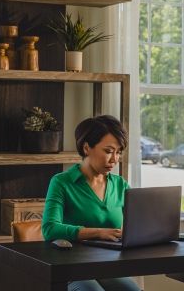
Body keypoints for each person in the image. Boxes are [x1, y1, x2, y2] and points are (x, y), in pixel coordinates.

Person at [42, 115, 141, 291]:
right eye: (109, 151)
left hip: (109, 267)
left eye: (118, 152)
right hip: (70, 268)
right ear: (87, 147)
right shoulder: (61, 182)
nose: (114, 159)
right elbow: (50, 229)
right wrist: (97, 233)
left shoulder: (120, 185)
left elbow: (134, 227)